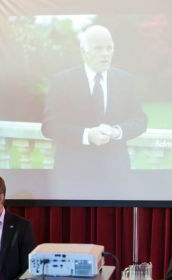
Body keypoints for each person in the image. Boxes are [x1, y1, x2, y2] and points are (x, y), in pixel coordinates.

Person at [41, 25, 147, 179]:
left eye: (109, 48)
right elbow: (49, 126)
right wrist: (87, 135)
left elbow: (140, 120)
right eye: (98, 48)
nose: (105, 54)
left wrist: (116, 131)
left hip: (116, 174)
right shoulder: (62, 81)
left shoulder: (126, 80)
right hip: (72, 173)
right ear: (84, 52)